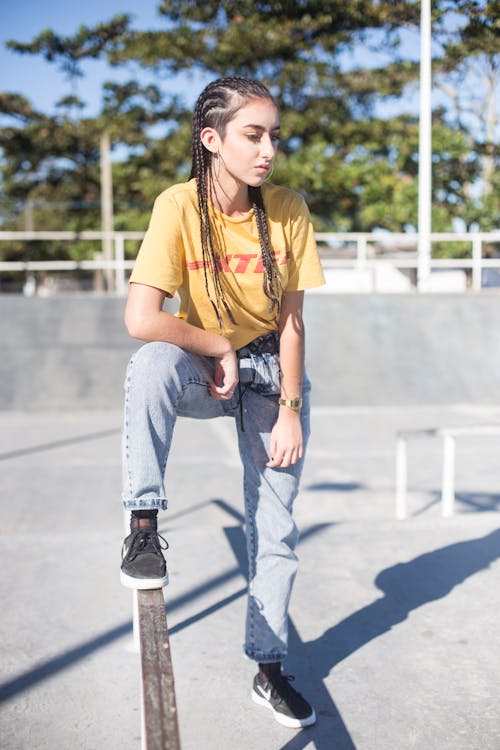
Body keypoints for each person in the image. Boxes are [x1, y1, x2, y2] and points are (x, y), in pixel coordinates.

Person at [120, 76, 325, 729]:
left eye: (273, 135)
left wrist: (290, 406)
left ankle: (268, 669)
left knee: (277, 529)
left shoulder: (287, 208)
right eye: (252, 134)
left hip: (271, 374)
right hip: (203, 368)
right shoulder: (178, 206)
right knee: (150, 364)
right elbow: (141, 317)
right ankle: (143, 527)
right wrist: (214, 344)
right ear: (212, 140)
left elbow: (292, 323)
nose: (268, 149)